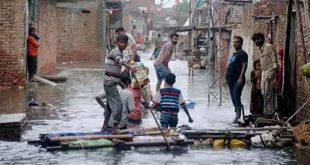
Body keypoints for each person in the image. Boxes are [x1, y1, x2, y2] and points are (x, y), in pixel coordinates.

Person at [103, 34, 136, 134]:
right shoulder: (115, 51)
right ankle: (114, 129)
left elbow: (117, 67)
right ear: (117, 43)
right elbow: (119, 60)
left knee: (109, 106)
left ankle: (104, 126)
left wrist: (121, 81)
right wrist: (130, 67)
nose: (123, 44)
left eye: (125, 43)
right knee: (119, 105)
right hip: (109, 83)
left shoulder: (120, 52)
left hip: (110, 82)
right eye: (121, 42)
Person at [252, 32, 278, 116]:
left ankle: (269, 112)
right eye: (255, 40)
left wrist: (275, 77)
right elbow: (262, 63)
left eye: (258, 39)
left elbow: (275, 62)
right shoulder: (259, 48)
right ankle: (267, 111)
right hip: (263, 72)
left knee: (268, 92)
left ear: (262, 39)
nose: (256, 41)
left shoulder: (269, 47)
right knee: (264, 92)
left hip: (270, 71)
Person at [226, 36, 248, 123]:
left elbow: (244, 66)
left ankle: (237, 117)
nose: (235, 43)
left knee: (236, 96)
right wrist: (226, 78)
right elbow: (230, 66)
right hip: (231, 80)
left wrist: (240, 77)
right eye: (234, 42)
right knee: (233, 97)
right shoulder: (234, 54)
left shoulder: (243, 54)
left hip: (237, 79)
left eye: (237, 42)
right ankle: (238, 114)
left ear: (241, 43)